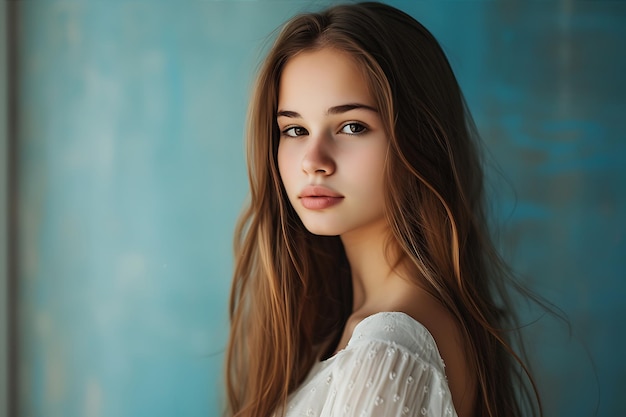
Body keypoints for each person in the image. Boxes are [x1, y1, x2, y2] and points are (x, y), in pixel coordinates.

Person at [226, 2, 542, 416]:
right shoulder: (358, 326)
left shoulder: (387, 349)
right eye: (295, 129)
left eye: (352, 126)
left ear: (420, 138)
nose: (313, 159)